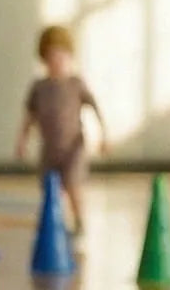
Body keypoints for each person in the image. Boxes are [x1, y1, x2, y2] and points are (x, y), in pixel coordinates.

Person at [15, 25, 107, 246]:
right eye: (50, 57)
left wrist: (104, 135)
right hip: (50, 148)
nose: (56, 61)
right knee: (51, 189)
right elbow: (29, 116)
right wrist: (22, 140)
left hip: (74, 147)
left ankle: (79, 222)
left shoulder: (76, 84)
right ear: (44, 59)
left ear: (69, 56)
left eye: (60, 56)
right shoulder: (39, 87)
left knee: (73, 185)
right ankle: (56, 224)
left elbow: (94, 107)